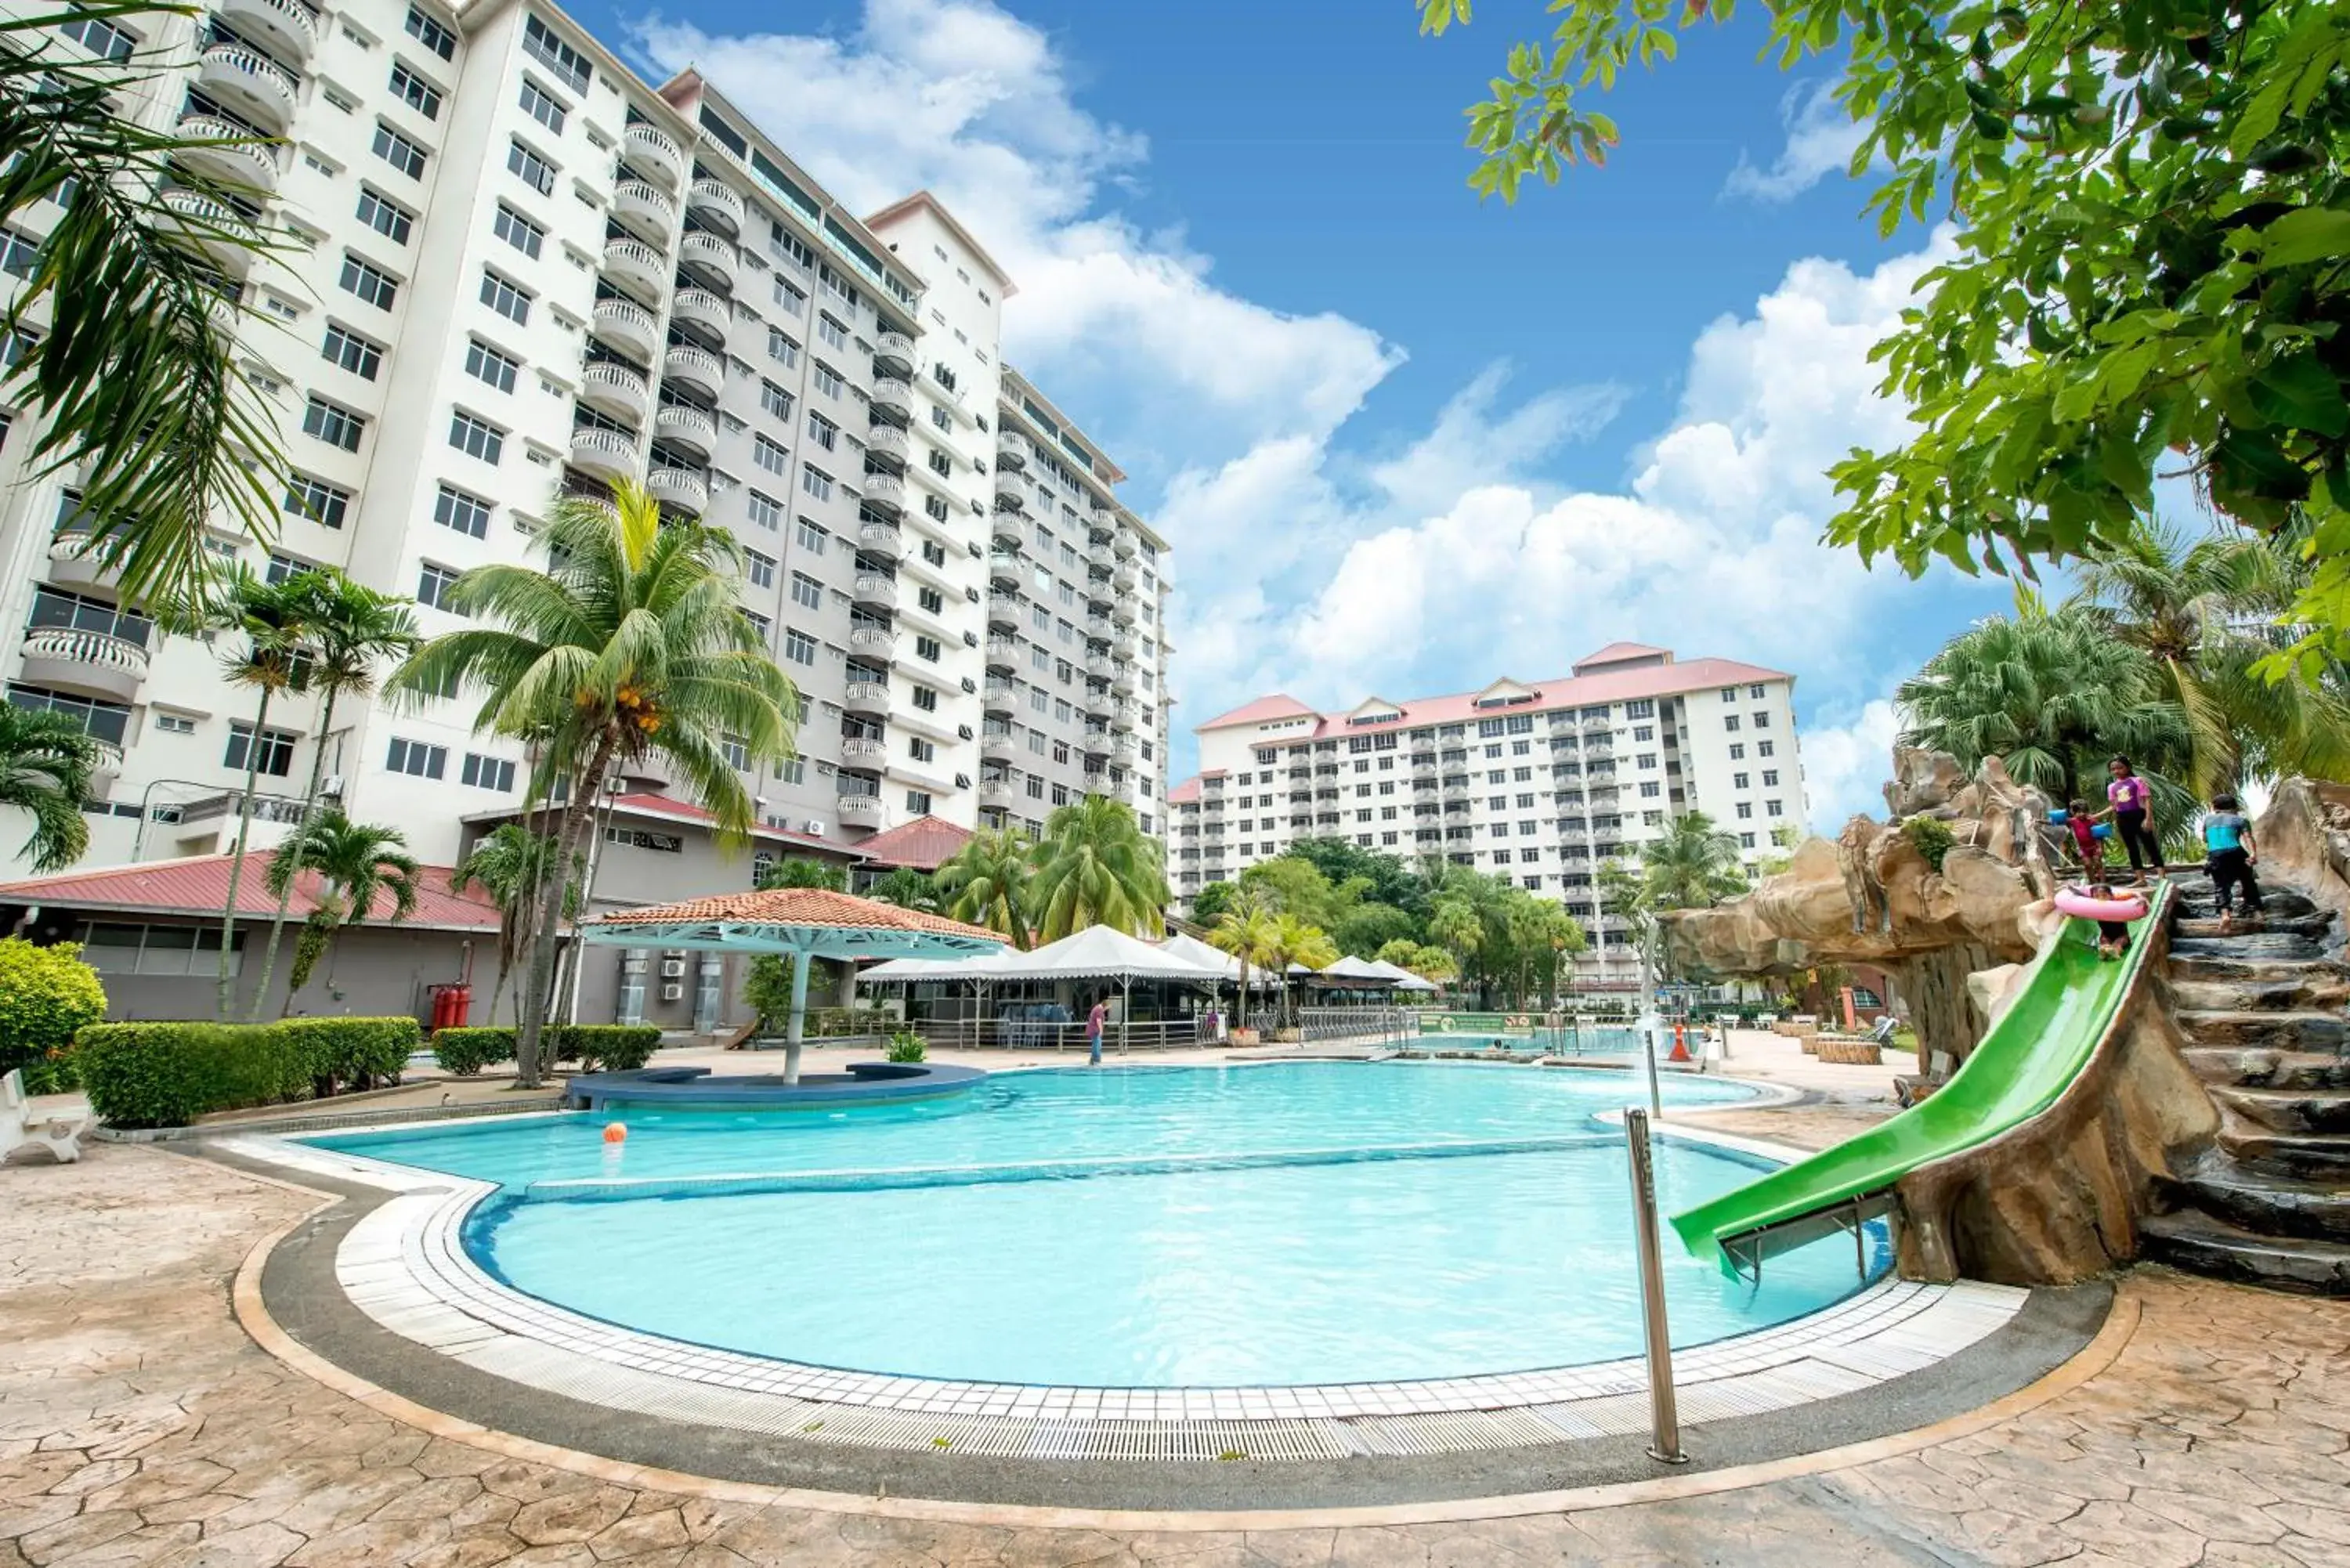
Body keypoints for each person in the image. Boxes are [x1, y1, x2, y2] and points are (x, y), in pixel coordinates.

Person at [2204, 793, 2265, 934]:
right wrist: (2253, 854)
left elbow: (2205, 839)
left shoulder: (2208, 820)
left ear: (2215, 807)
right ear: (2234, 807)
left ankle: (2225, 916)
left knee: (2221, 886)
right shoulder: (2240, 820)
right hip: (2236, 851)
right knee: (2248, 881)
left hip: (2215, 855)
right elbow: (2248, 838)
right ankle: (2258, 913)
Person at [2063, 800, 2105, 878]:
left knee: (2098, 864)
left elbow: (2100, 835)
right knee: (2087, 865)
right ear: (2073, 813)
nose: (2082, 814)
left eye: (2084, 812)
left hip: (2095, 847)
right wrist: (2040, 821)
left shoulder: (2092, 821)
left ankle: (2103, 883)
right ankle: (2094, 884)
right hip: (2083, 849)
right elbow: (2057, 821)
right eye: (2079, 812)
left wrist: (2100, 847)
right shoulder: (2073, 821)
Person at [1086, 996, 1108, 1067]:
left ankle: (1092, 1061)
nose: (1107, 1009)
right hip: (1095, 1030)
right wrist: (1101, 1031)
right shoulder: (1099, 1009)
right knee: (1097, 1045)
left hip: (1093, 1029)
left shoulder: (1097, 1008)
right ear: (1105, 1006)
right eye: (1108, 1008)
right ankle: (1096, 1061)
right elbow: (1099, 1021)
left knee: (1095, 1045)